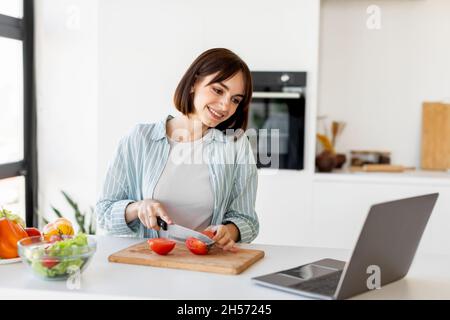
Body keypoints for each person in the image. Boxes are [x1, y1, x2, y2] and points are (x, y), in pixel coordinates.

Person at [96, 48, 259, 251]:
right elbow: (103, 213)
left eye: (235, 99)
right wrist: (138, 208)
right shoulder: (139, 139)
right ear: (193, 84)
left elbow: (247, 220)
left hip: (208, 266)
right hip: (149, 266)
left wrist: (230, 231)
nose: (226, 106)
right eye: (218, 90)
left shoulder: (236, 145)